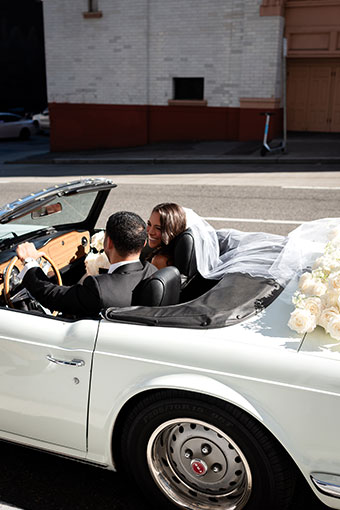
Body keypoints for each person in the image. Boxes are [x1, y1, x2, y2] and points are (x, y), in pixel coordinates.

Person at [16, 211, 157, 317]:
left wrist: (29, 262)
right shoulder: (153, 271)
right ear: (143, 243)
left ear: (108, 242)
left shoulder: (100, 289)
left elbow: (52, 297)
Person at [146, 203, 187, 269]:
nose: (150, 232)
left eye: (158, 228)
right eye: (149, 224)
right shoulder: (173, 252)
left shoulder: (161, 260)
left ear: (172, 230)